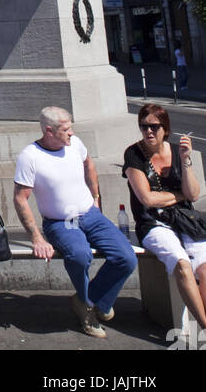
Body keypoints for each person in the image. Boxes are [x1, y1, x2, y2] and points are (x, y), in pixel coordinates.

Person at [14, 106, 137, 338]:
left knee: (126, 257)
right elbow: (20, 199)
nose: (71, 133)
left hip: (91, 214)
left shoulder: (75, 144)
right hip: (62, 221)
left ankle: (88, 301)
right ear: (49, 131)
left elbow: (88, 165)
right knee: (80, 255)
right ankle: (93, 306)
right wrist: (37, 238)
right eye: (66, 129)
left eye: (71, 128)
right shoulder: (30, 156)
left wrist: (96, 198)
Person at [123, 103, 206, 329]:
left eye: (154, 127)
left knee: (205, 268)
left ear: (165, 128)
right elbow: (147, 199)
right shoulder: (134, 154)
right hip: (153, 223)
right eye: (143, 127)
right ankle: (204, 325)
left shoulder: (178, 152)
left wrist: (186, 159)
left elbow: (194, 194)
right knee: (181, 264)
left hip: (186, 221)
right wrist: (180, 195)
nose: (148, 131)